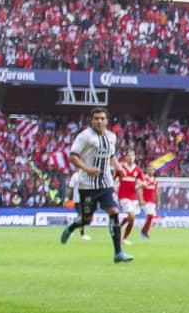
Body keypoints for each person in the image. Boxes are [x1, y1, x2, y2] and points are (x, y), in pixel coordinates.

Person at [60, 107, 134, 263]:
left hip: (105, 183)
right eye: (96, 118)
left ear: (107, 121)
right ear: (91, 120)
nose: (99, 121)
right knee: (87, 219)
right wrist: (86, 169)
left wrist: (119, 167)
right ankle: (72, 227)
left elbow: (110, 156)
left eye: (102, 118)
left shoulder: (111, 137)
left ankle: (118, 253)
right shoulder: (84, 137)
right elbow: (73, 156)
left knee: (114, 212)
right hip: (87, 185)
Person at [114, 151, 142, 244]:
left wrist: (143, 184)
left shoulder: (137, 170)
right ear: (125, 157)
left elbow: (143, 182)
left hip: (133, 197)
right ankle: (121, 233)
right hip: (123, 196)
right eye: (128, 156)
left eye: (132, 155)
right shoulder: (121, 168)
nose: (131, 157)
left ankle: (123, 236)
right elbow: (112, 179)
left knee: (132, 218)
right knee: (132, 215)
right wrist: (114, 187)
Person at [66, 170, 91, 240]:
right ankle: (81, 234)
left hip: (85, 199)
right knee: (81, 216)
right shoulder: (75, 176)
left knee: (82, 217)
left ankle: (71, 227)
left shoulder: (87, 175)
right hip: (77, 199)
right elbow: (71, 188)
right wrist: (67, 198)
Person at [138, 165, 158, 239]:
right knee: (150, 216)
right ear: (146, 170)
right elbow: (139, 189)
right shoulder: (144, 179)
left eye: (151, 170)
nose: (150, 171)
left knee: (152, 218)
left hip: (152, 202)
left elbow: (156, 191)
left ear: (154, 171)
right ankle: (144, 232)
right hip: (145, 201)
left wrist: (158, 201)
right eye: (149, 169)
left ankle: (144, 232)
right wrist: (141, 199)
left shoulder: (155, 180)